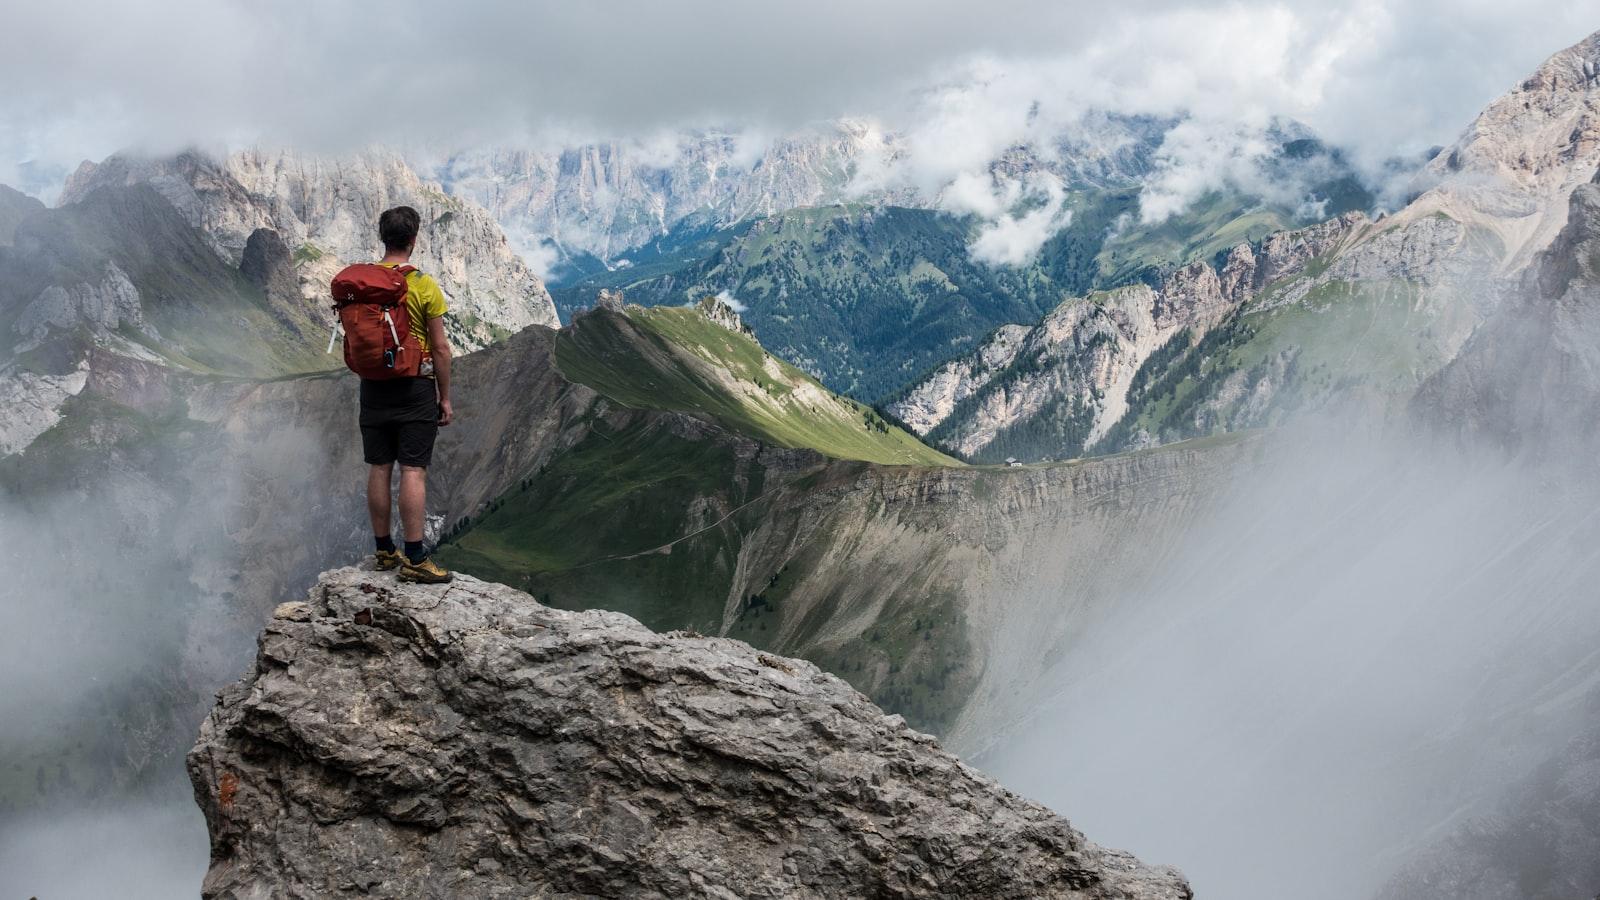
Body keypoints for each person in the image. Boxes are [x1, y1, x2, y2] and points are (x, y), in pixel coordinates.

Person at [361, 205, 455, 583]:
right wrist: (444, 398)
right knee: (413, 469)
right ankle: (415, 558)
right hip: (415, 385)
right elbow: (442, 348)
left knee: (379, 467)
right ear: (413, 240)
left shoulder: (363, 283)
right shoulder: (423, 285)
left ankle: (384, 551)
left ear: (383, 238)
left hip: (372, 387)